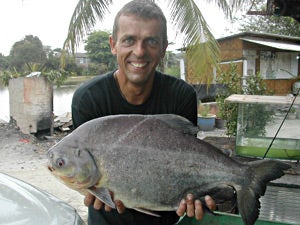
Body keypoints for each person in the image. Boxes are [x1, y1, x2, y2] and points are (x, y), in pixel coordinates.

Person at [71, 0, 216, 224]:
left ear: (163, 48)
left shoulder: (181, 95)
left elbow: (186, 163)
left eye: (150, 41)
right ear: (113, 44)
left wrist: (195, 195)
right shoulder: (89, 99)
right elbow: (88, 176)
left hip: (166, 218)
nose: (139, 52)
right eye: (129, 40)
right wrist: (93, 190)